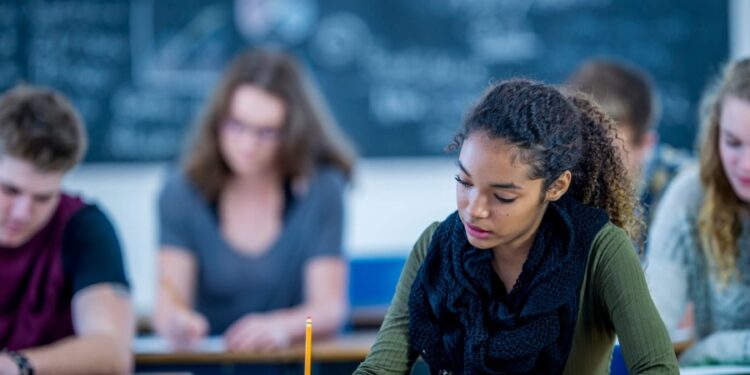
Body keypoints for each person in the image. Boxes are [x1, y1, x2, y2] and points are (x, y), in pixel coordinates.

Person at [355, 79, 678, 374]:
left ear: (556, 187)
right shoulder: (436, 247)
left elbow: (656, 368)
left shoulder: (600, 249)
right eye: (464, 182)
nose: (475, 209)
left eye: (503, 196)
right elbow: (380, 369)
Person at [152, 48, 355, 351]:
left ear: (292, 133)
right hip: (208, 367)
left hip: (291, 364)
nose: (248, 144)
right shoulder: (181, 190)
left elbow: (329, 308)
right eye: (237, 125)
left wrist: (280, 327)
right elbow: (168, 306)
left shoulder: (322, 189)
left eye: (267, 132)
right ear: (217, 120)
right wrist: (177, 323)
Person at [0, 85, 133, 374]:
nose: (22, 213)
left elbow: (112, 351)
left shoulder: (84, 228)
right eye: (9, 190)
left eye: (43, 197)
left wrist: (16, 367)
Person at [646, 58, 750, 365]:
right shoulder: (690, 197)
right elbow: (649, 333)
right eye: (732, 143)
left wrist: (704, 352)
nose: (745, 165)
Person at [567, 59, 693, 226]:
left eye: (607, 153)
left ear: (646, 145)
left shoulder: (690, 192)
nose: (588, 165)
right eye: (580, 147)